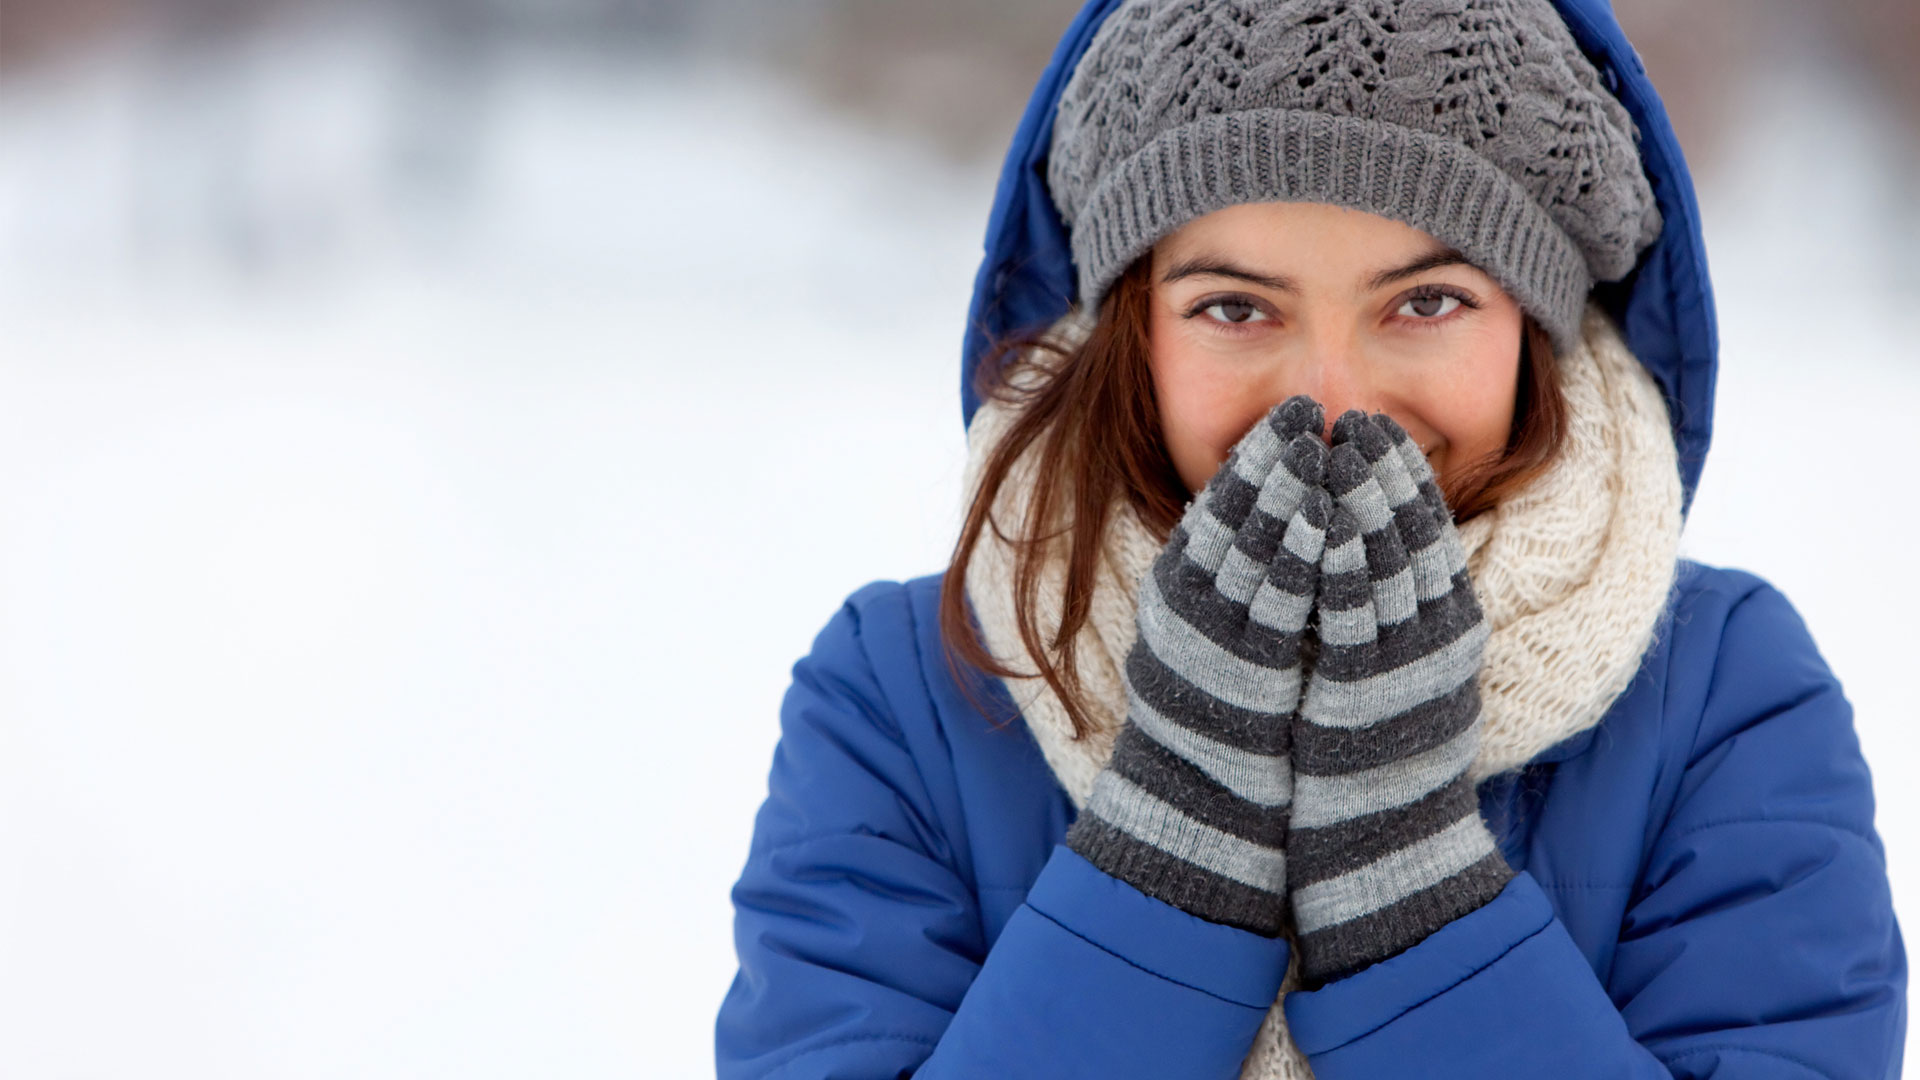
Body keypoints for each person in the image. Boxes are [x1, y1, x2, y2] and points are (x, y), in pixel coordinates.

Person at [716, 0, 1908, 1075]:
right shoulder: (908, 692)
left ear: (1536, 330)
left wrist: (1417, 905)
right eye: (1235, 308)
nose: (1333, 404)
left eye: (1426, 303)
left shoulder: (1721, 693)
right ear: (1132, 333)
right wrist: (1169, 861)